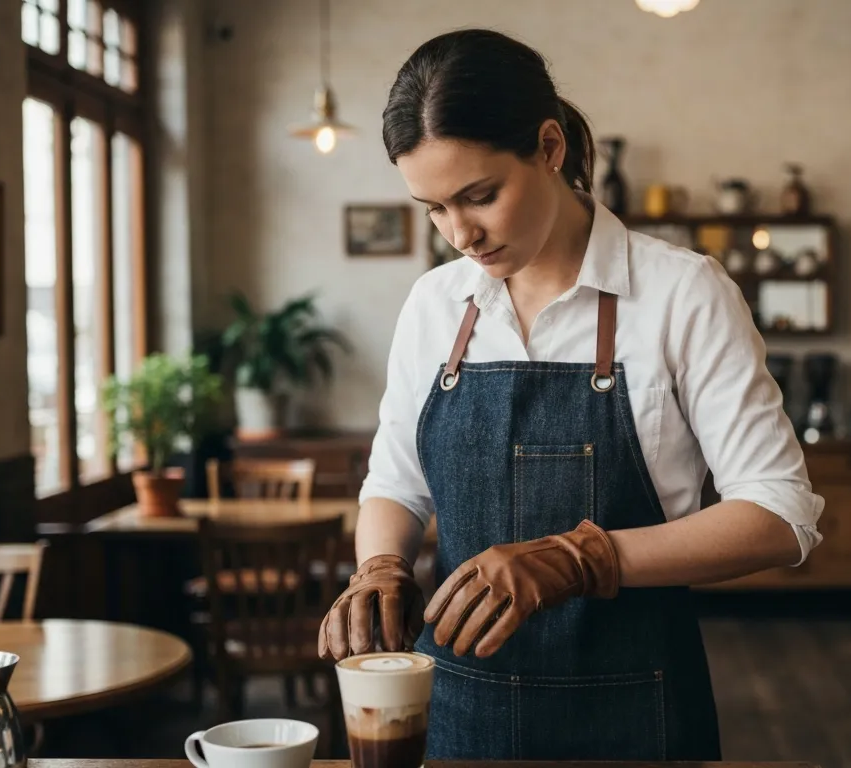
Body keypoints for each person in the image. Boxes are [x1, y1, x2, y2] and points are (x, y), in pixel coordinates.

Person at [318, 28, 824, 763]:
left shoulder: (682, 293)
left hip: (637, 711)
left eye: (480, 196)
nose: (461, 234)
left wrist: (580, 558)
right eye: (434, 208)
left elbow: (779, 516)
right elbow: (396, 484)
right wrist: (379, 567)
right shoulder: (435, 304)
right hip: (461, 711)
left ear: (549, 147)